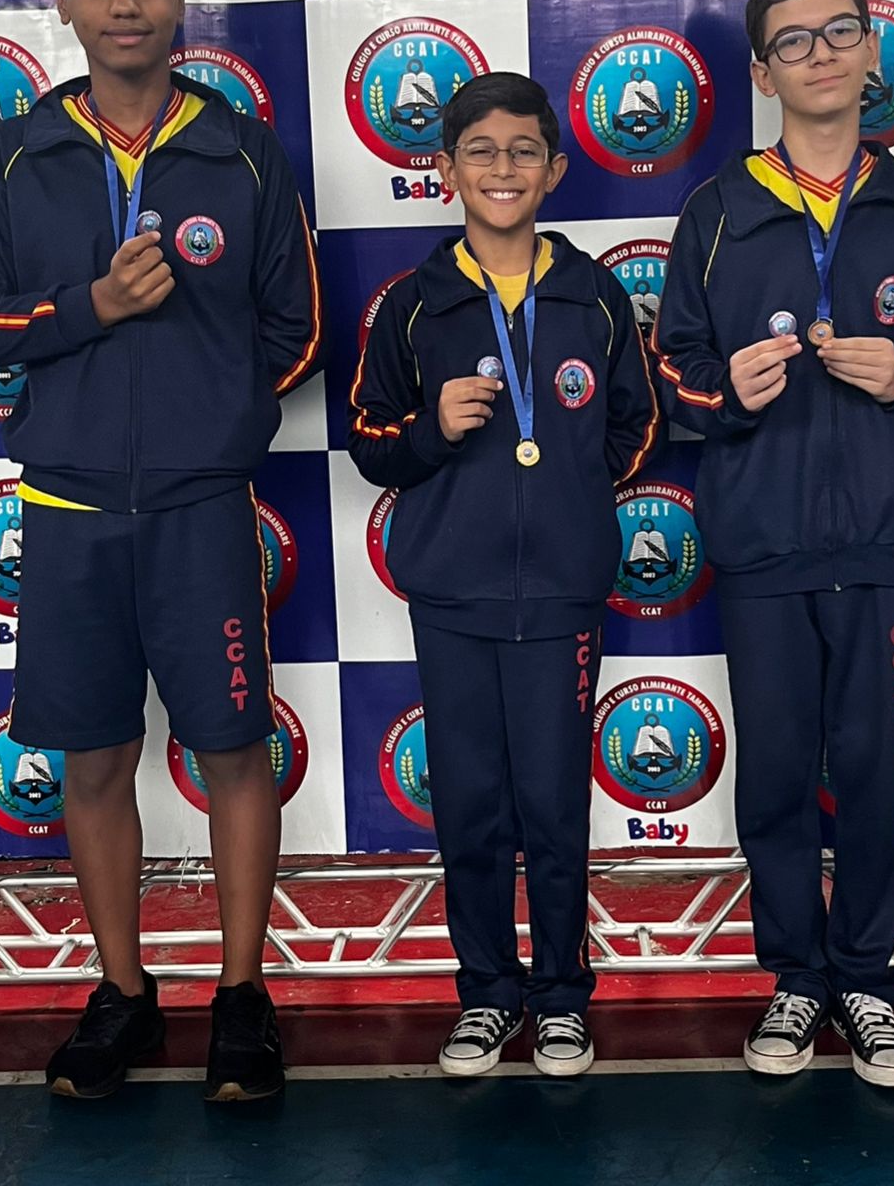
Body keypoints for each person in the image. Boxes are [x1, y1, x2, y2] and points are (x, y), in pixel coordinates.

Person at [0, 0, 323, 1102]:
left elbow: (299, 327)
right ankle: (122, 991)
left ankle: (242, 996)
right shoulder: (16, 155)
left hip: (202, 507)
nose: (125, 3)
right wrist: (90, 309)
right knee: (96, 758)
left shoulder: (242, 150)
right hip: (68, 511)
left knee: (233, 749)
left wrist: (213, 414)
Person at [653, 0, 894, 1089]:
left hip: (887, 542)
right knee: (776, 775)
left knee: (873, 770)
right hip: (762, 542)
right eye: (793, 41)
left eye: (839, 30)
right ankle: (796, 980)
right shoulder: (716, 211)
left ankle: (866, 980)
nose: (820, 54)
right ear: (763, 71)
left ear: (870, 46)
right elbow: (671, 369)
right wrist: (724, 393)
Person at [348, 72, 659, 1078]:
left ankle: (561, 997)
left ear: (554, 169)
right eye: (479, 150)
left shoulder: (594, 294)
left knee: (554, 807)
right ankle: (486, 993)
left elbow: (637, 422)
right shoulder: (414, 304)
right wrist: (430, 431)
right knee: (472, 807)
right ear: (445, 170)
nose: (502, 168)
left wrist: (570, 484)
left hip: (562, 592)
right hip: (453, 594)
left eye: (524, 150)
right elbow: (368, 441)